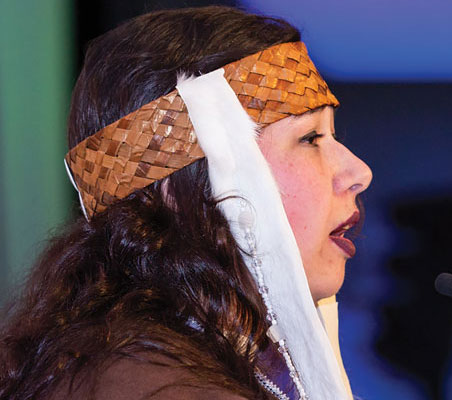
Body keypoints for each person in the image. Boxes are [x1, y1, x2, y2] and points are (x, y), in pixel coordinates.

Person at [0, 6, 371, 400]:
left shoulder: (169, 358)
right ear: (179, 190)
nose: (358, 172)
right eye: (310, 138)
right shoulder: (155, 385)